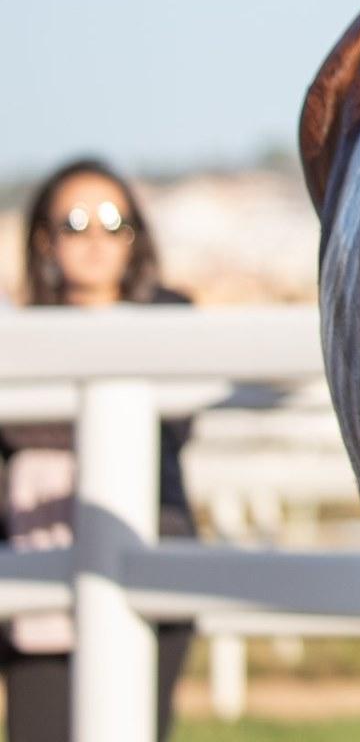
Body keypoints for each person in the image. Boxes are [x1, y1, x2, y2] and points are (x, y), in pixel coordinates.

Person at [1, 158, 196, 740]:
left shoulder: (170, 319)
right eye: (75, 223)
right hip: (35, 568)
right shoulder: (18, 335)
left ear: (134, 236)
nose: (94, 239)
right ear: (45, 239)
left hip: (154, 554)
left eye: (113, 222)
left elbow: (178, 423)